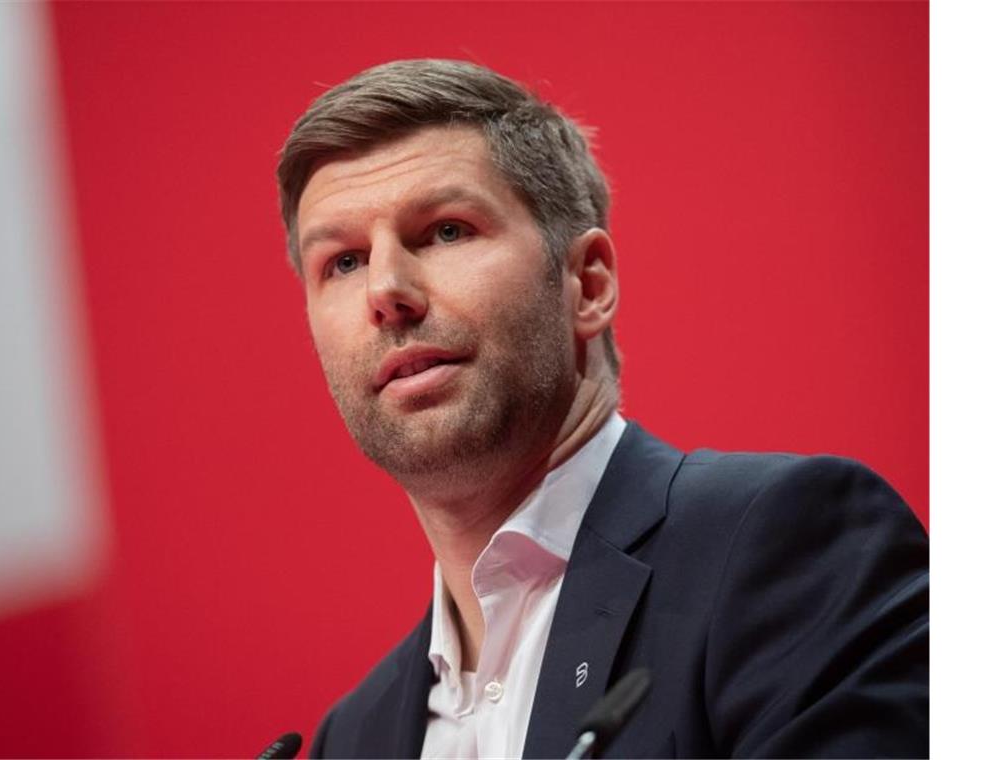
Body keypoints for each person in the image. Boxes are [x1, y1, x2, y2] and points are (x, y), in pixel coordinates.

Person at [276, 59, 928, 758]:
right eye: (342, 262)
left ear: (587, 283)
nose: (386, 289)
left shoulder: (788, 551)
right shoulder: (354, 737)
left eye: (446, 231)